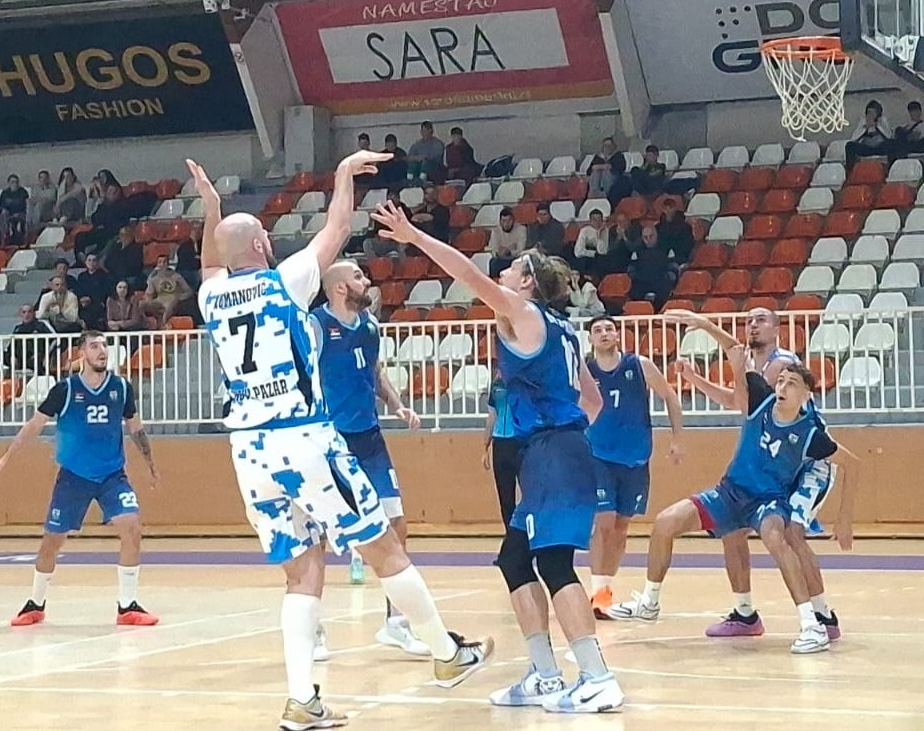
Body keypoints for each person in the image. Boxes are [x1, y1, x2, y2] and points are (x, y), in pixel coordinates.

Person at [188, 151, 492, 729]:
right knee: (383, 545)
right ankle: (446, 654)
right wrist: (345, 174)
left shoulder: (211, 297)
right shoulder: (285, 281)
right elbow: (337, 227)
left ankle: (302, 699)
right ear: (262, 246)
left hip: (248, 451)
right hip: (302, 437)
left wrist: (211, 209)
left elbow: (209, 263)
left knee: (301, 573)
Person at [374, 197, 622, 713]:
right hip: (556, 451)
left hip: (552, 451)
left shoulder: (523, 313)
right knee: (515, 559)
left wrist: (414, 237)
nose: (502, 272)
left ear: (526, 282)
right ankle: (546, 675)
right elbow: (593, 402)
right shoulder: (562, 329)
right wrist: (569, 440)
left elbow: (467, 275)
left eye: (511, 269)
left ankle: (597, 677)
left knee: (553, 563)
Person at [606, 310, 857, 655]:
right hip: (735, 489)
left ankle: (818, 620)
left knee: (787, 536)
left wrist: (844, 518)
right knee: (678, 525)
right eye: (780, 382)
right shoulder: (761, 394)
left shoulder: (790, 387)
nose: (782, 386)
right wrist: (698, 369)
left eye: (790, 384)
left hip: (796, 476)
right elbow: (737, 384)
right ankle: (715, 609)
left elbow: (850, 463)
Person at [666, 308, 847, 642]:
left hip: (807, 461)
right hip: (777, 458)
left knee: (791, 534)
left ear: (777, 330)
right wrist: (694, 380)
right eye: (749, 320)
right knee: (733, 530)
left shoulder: (780, 365)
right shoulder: (757, 366)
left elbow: (740, 386)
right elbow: (739, 401)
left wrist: (705, 324)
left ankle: (822, 616)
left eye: (761, 320)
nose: (753, 325)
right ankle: (745, 613)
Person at [0, 332, 160, 627]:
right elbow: (35, 425)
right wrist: (6, 457)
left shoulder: (121, 387)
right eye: (94, 346)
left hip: (112, 475)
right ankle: (36, 603)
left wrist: (150, 464)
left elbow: (136, 428)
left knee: (132, 527)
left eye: (104, 345)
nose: (102, 351)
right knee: (52, 542)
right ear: (82, 354)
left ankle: (127, 606)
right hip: (74, 478)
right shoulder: (65, 390)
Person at [312, 259, 432, 657]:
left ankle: (396, 623)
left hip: (369, 440)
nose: (367, 281)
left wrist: (397, 404)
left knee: (396, 523)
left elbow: (375, 372)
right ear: (339, 288)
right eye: (358, 276)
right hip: (330, 441)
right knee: (316, 535)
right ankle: (313, 631)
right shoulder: (315, 327)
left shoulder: (370, 327)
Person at [582, 316, 684, 619]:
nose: (604, 333)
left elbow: (670, 396)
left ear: (617, 335)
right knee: (604, 522)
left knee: (621, 527)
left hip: (635, 457)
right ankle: (598, 593)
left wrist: (677, 438)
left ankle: (606, 590)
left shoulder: (638, 365)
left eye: (609, 329)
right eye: (597, 330)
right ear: (590, 339)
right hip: (597, 456)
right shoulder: (584, 370)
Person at [0, 303, 58, 381]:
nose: (27, 315)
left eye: (29, 312)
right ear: (20, 314)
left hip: (34, 359)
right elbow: (11, 346)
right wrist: (12, 356)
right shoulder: (18, 328)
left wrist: (46, 356)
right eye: (24, 312)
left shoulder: (41, 325)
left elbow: (55, 339)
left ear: (34, 313)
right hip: (17, 359)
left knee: (37, 362)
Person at [482, 374, 520, 527]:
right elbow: (492, 416)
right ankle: (511, 532)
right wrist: (485, 447)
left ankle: (524, 531)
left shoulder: (521, 380)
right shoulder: (496, 385)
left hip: (517, 441)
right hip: (501, 443)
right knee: (505, 495)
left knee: (527, 493)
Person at [628, 224, 676, 303]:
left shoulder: (667, 249)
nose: (648, 240)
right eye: (645, 237)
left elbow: (673, 269)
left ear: (656, 235)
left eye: (651, 236)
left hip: (662, 284)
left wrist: (667, 278)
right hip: (641, 285)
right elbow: (631, 271)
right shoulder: (636, 251)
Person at [844, 100, 893, 169]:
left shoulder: (883, 120)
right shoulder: (863, 121)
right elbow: (854, 138)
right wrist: (865, 128)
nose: (870, 115)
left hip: (880, 147)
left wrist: (877, 126)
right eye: (869, 113)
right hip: (867, 148)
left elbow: (889, 136)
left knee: (891, 144)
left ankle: (891, 169)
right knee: (850, 146)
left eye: (873, 113)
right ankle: (851, 171)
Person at [74, 254, 114, 330]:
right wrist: (82, 299)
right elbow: (78, 291)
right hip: (84, 305)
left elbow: (105, 292)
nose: (91, 263)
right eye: (89, 260)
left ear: (97, 262)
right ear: (85, 262)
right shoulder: (81, 276)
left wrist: (91, 299)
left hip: (98, 305)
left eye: (94, 260)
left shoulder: (104, 276)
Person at [572, 209, 612, 278]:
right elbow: (578, 252)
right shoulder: (584, 231)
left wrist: (599, 235)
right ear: (590, 221)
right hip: (585, 259)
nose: (597, 222)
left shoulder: (605, 230)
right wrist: (593, 253)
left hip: (600, 261)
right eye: (594, 219)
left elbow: (603, 252)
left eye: (599, 219)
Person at [488, 207, 526, 276]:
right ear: (500, 222)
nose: (506, 224)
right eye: (504, 221)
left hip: (515, 259)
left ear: (513, 220)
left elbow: (521, 250)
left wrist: (509, 251)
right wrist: (511, 247)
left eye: (509, 220)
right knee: (493, 262)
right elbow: (495, 250)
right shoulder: (495, 231)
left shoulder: (521, 229)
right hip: (500, 259)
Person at [0, 175, 29, 246]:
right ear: (9, 183)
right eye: (12, 182)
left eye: (16, 182)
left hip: (21, 214)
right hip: (8, 215)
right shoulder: (5, 193)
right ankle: (6, 235)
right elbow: (1, 206)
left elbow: (26, 206)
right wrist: (4, 211)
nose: (15, 184)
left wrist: (19, 213)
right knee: (2, 215)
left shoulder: (23, 192)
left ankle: (21, 238)